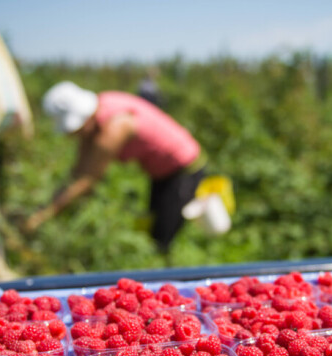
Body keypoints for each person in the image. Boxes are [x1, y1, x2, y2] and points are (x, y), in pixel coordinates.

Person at [24, 81, 206, 254]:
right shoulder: (100, 108)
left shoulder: (115, 127)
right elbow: (78, 170)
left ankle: (167, 273)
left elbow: (87, 179)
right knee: (152, 227)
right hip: (160, 173)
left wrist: (42, 216)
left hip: (183, 169)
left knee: (161, 237)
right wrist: (48, 205)